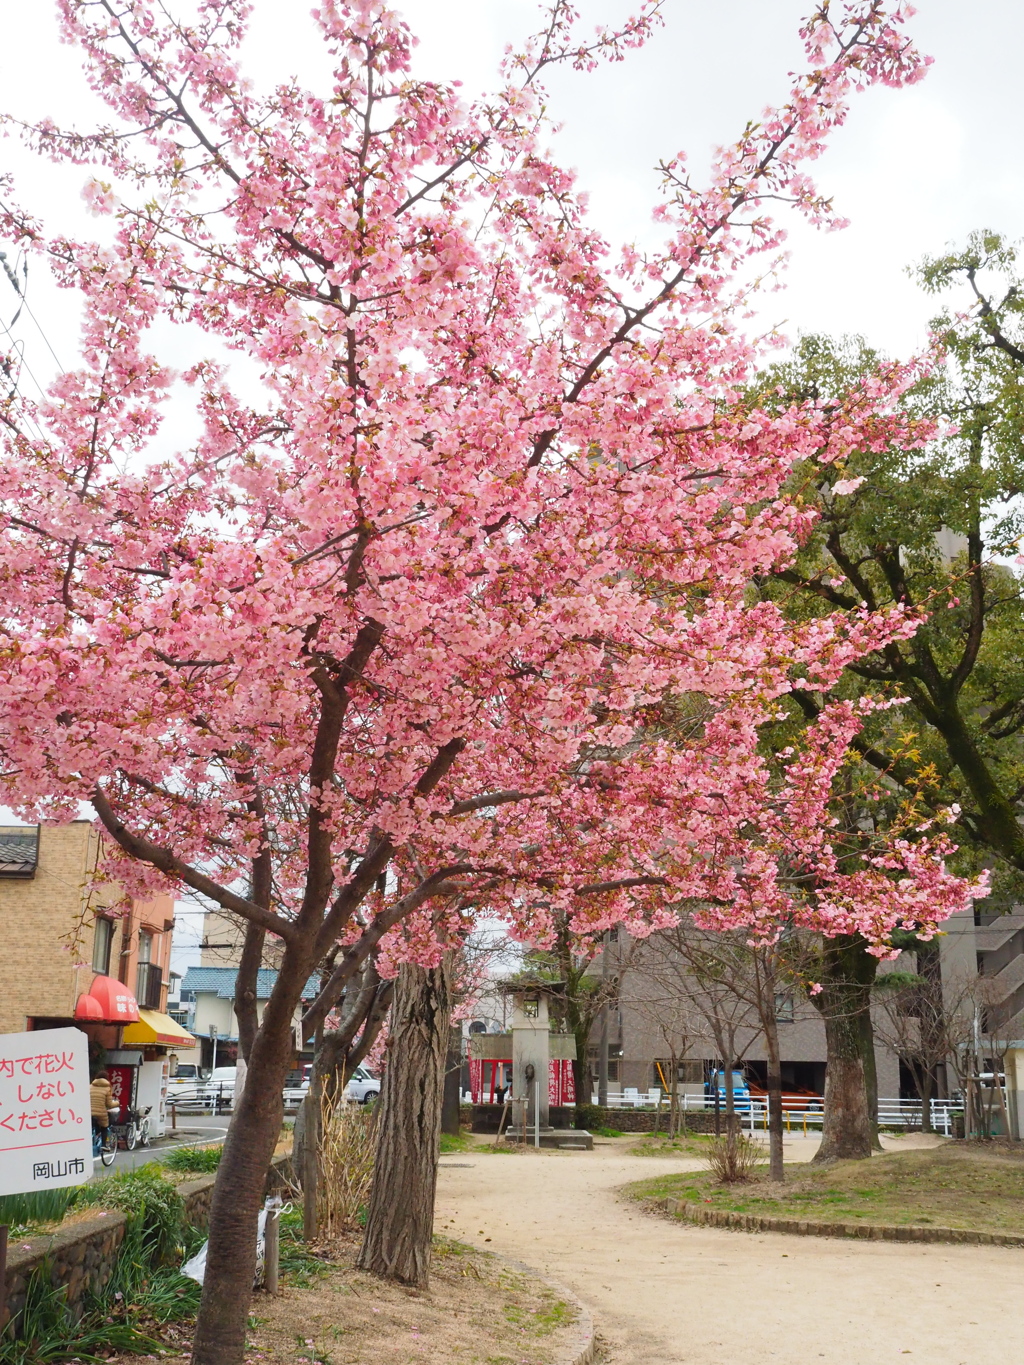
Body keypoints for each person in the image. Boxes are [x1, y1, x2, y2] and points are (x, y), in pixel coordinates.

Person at [90, 1069, 115, 1134]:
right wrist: (117, 1103)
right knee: (104, 1127)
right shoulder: (107, 1088)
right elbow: (109, 1104)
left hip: (89, 1113)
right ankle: (104, 1143)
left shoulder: (89, 1087)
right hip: (101, 1114)